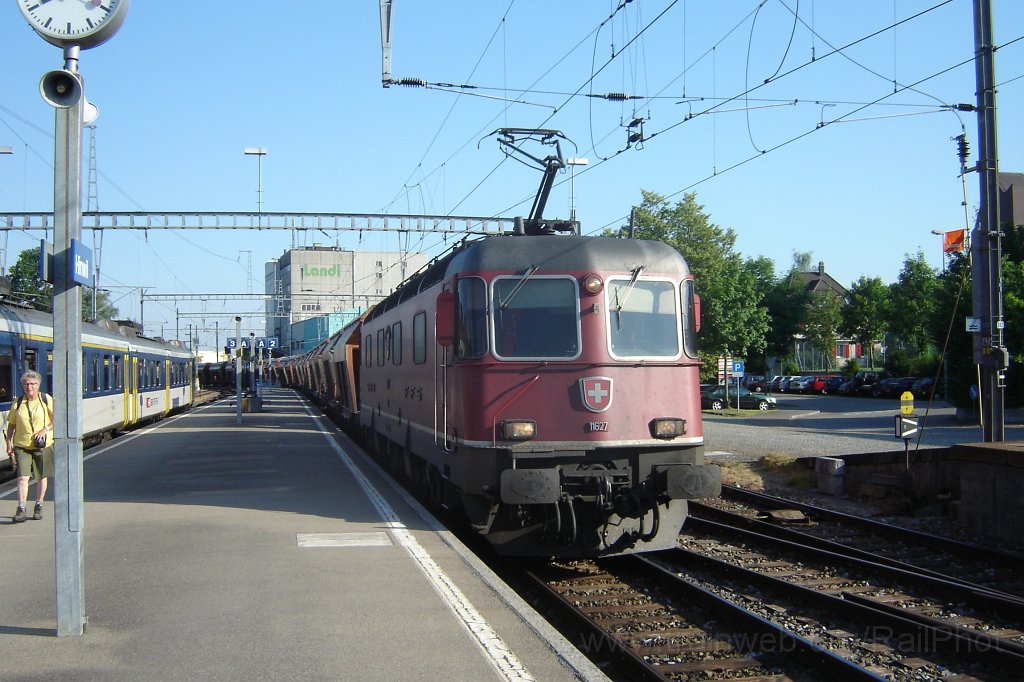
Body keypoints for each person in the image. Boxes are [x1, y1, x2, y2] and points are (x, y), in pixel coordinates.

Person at [6, 371, 54, 523]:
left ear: (38, 385)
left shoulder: (46, 400)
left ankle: (38, 505)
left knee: (41, 477)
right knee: (22, 477)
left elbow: (57, 419)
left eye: (33, 384)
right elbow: (12, 424)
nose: (29, 387)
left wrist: (45, 429)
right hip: (22, 445)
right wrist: (8, 442)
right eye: (26, 384)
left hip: (42, 445)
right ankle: (21, 508)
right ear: (23, 386)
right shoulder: (18, 402)